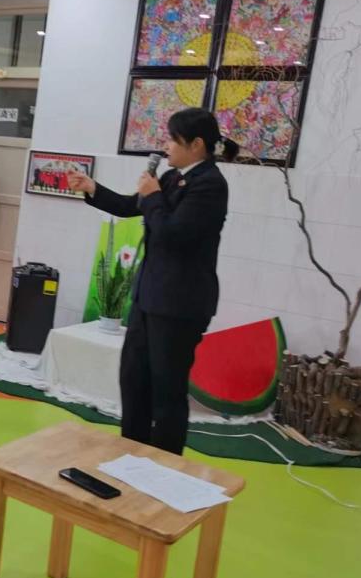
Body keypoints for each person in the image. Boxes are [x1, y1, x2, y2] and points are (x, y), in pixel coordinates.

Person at [67, 107, 236, 455]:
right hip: (148, 297)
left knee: (167, 390)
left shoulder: (210, 185)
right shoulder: (173, 177)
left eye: (172, 139)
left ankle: (164, 464)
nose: (165, 146)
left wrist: (154, 195)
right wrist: (92, 187)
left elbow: (174, 235)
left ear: (196, 144)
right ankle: (131, 452)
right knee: (134, 380)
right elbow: (133, 206)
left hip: (179, 304)